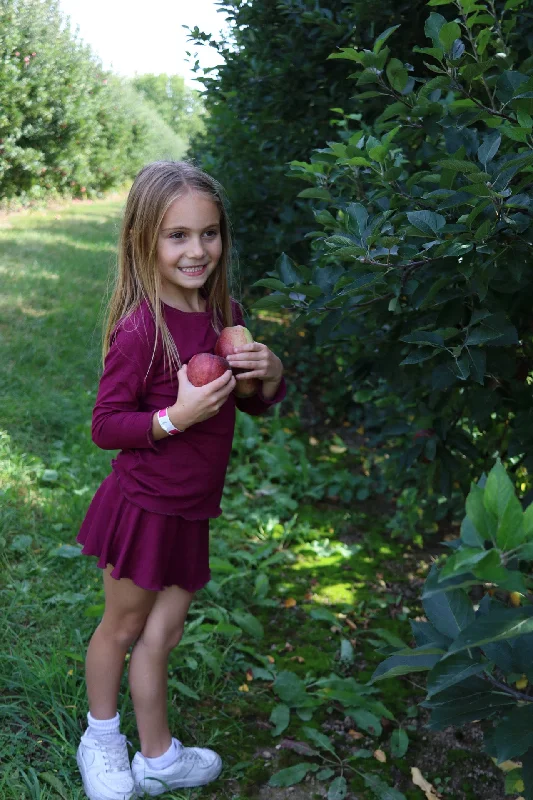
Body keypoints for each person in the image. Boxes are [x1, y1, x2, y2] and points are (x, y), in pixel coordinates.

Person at [75, 160, 286, 800]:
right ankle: (103, 738)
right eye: (178, 236)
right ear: (145, 239)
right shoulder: (142, 328)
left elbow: (249, 399)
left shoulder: (225, 311)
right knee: (123, 627)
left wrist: (268, 371)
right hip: (144, 506)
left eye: (210, 233)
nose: (198, 250)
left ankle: (159, 754)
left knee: (164, 633)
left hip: (193, 507)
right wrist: (175, 417)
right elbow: (106, 424)